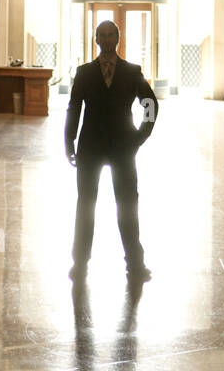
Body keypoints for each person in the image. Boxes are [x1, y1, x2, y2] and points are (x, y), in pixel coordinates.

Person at [65, 20, 158, 282]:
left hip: (122, 146)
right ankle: (80, 263)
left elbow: (149, 102)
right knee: (86, 205)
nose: (106, 40)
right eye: (101, 36)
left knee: (127, 205)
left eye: (110, 35)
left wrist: (141, 135)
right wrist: (69, 140)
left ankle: (135, 264)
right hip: (90, 146)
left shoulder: (131, 72)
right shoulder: (84, 73)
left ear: (118, 38)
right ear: (96, 40)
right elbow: (74, 108)